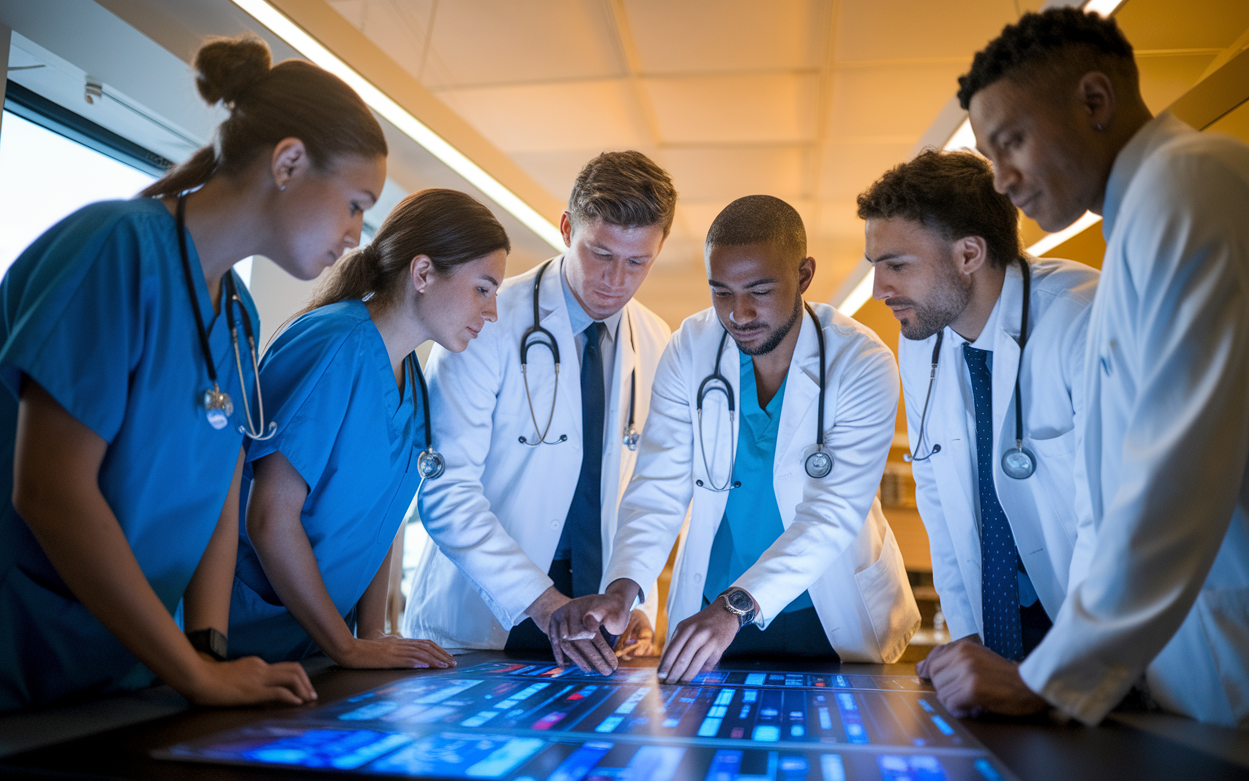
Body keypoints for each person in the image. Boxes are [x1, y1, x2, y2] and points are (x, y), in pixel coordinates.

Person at [0, 34, 387, 714]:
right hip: (8, 658)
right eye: (355, 203)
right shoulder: (114, 248)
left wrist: (207, 648)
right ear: (288, 162)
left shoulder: (239, 315)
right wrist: (194, 675)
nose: (356, 233)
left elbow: (221, 488)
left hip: (116, 672)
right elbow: (50, 490)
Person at [920, 7, 1249, 727]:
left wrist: (1053, 677)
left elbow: (1179, 468)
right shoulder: (1140, 219)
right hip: (1192, 669)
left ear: (1094, 102)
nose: (1002, 180)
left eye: (1012, 143)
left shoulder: (1189, 184)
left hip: (1230, 661)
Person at [550, 195, 921, 683]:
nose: (739, 314)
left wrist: (737, 606)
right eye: (721, 292)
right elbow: (658, 485)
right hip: (713, 616)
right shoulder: (691, 348)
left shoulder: (861, 362)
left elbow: (832, 514)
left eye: (759, 291)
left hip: (827, 613)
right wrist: (624, 586)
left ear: (804, 276)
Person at [404, 151, 675, 670]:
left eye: (637, 261)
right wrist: (547, 605)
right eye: (600, 253)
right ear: (567, 227)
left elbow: (651, 488)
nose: (615, 280)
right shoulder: (486, 317)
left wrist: (632, 593)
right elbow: (445, 490)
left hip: (601, 623)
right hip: (487, 617)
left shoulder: (655, 338)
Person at [227, 189, 508, 670]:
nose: (491, 312)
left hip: (311, 644)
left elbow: (383, 523)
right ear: (422, 273)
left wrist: (372, 633)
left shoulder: (412, 382)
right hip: (241, 636)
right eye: (483, 288)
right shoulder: (335, 344)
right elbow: (270, 517)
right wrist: (348, 646)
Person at [858, 149, 1098, 670]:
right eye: (875, 268)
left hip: (1102, 634)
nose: (880, 291)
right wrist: (969, 641)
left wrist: (1067, 668)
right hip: (1002, 628)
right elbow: (940, 502)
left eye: (896, 265)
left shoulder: (1085, 322)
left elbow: (1118, 521)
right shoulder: (922, 339)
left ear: (968, 254)